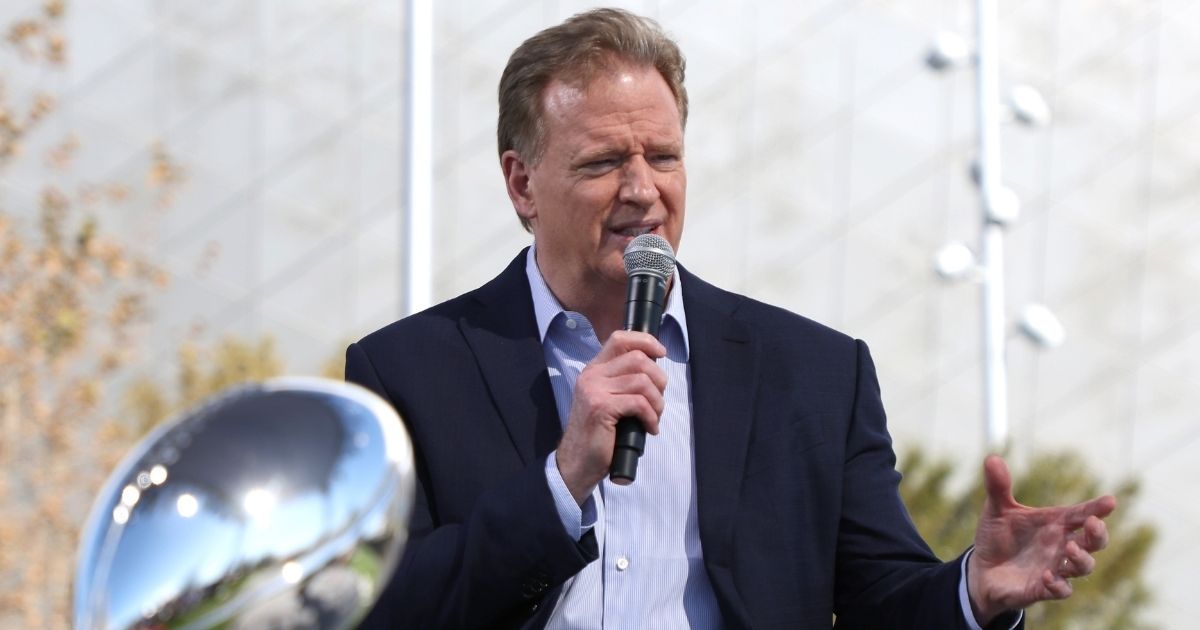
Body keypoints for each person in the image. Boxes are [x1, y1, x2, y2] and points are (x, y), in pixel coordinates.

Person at [346, 8, 1115, 629]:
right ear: (522, 183)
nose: (643, 189)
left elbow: (884, 600)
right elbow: (385, 608)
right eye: (603, 162)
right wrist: (562, 481)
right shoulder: (407, 372)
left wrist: (974, 591)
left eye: (665, 157)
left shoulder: (815, 374)